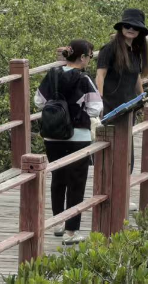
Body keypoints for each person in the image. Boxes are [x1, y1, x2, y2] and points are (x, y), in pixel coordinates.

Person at [34, 40, 102, 246]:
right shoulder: (83, 79)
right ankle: (71, 231)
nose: (90, 60)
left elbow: (39, 101)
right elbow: (95, 107)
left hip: (52, 136)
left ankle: (58, 223)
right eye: (90, 56)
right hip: (78, 136)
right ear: (82, 57)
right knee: (76, 182)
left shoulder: (52, 74)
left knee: (58, 178)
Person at [96, 8, 148, 179]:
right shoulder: (109, 49)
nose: (131, 29)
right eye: (127, 25)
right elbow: (100, 75)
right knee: (111, 148)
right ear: (121, 27)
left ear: (140, 31)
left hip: (128, 108)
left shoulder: (135, 51)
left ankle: (123, 185)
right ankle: (109, 187)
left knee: (126, 148)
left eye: (135, 27)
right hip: (110, 107)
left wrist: (143, 100)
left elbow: (136, 77)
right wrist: (99, 103)